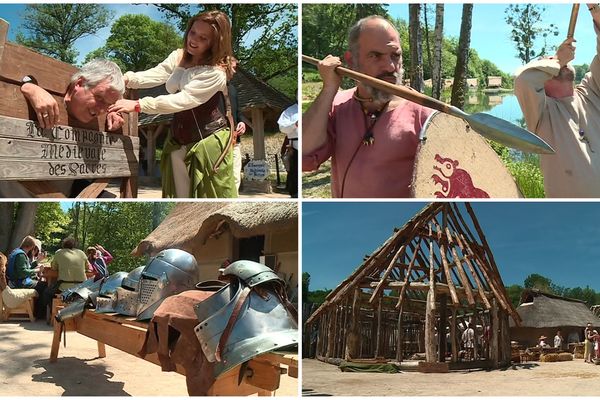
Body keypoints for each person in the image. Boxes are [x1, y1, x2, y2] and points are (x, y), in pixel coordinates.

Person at [109, 10, 237, 199]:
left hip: (208, 142)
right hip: (179, 140)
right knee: (180, 198)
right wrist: (125, 79)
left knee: (210, 199)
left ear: (215, 42)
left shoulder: (215, 73)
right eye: (193, 33)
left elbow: (183, 100)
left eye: (203, 38)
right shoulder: (179, 55)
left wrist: (138, 104)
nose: (193, 40)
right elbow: (157, 74)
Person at [302, 15, 434, 198]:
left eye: (395, 56)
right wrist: (329, 89)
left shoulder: (425, 116)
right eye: (375, 56)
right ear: (351, 60)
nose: (390, 67)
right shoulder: (336, 105)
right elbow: (305, 158)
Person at [1, 59, 126, 198]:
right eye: (99, 98)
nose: (102, 109)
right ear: (79, 83)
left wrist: (114, 111)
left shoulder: (103, 112)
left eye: (108, 104)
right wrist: (29, 87)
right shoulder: (30, 88)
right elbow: (14, 74)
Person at [514, 5, 600, 197]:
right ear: (543, 78)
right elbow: (523, 80)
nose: (556, 59)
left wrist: (597, 15)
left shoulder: (591, 91)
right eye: (549, 60)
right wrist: (558, 61)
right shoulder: (541, 115)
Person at [6, 236, 48, 319]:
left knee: (41, 284)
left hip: (16, 281)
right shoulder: (21, 255)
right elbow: (23, 272)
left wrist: (37, 262)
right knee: (44, 286)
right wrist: (38, 270)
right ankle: (39, 313)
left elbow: (26, 268)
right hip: (19, 283)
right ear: (31, 246)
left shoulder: (16, 252)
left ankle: (37, 312)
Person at [226, 57, 248, 193]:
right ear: (224, 66)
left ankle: (233, 198)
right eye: (233, 67)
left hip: (235, 141)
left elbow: (237, 111)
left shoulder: (233, 89)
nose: (235, 71)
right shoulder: (212, 87)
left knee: (235, 175)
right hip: (219, 141)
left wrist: (242, 122)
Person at [278, 103, 299, 198]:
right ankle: (294, 194)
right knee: (294, 172)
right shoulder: (290, 111)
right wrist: (294, 124)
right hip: (295, 147)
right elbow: (282, 128)